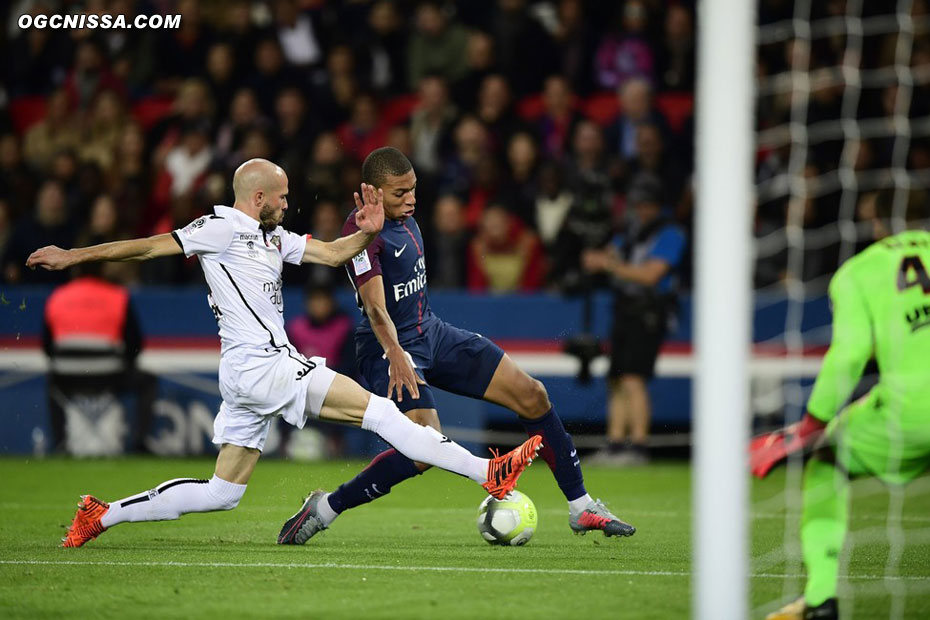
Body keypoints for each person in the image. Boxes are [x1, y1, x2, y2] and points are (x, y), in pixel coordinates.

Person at [26, 158, 542, 549]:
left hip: (250, 372)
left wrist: (368, 229)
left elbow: (335, 253)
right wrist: (74, 255)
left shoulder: (272, 238)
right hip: (264, 364)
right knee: (381, 411)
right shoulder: (220, 227)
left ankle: (102, 514)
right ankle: (487, 472)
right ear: (257, 197)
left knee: (221, 493)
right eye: (282, 197)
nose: (288, 204)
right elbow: (146, 246)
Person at [276, 147, 635, 545]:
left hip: (431, 332)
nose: (411, 199)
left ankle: (580, 506)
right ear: (372, 192)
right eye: (399, 193)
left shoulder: (407, 218)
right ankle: (325, 508)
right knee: (422, 447)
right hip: (387, 347)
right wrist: (396, 354)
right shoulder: (361, 231)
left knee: (532, 394)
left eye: (413, 189)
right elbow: (376, 308)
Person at [751, 189, 930, 620]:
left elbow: (849, 356)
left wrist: (813, 425)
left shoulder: (859, 271)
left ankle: (820, 599)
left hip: (912, 410)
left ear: (876, 225)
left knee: (827, 461)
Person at [582, 174, 686, 465]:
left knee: (633, 378)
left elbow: (651, 275)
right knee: (616, 378)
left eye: (647, 204)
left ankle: (638, 445)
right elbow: (608, 255)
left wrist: (609, 265)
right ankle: (615, 444)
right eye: (638, 204)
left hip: (650, 312)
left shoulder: (670, 233)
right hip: (625, 309)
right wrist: (597, 257)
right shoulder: (631, 230)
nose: (641, 209)